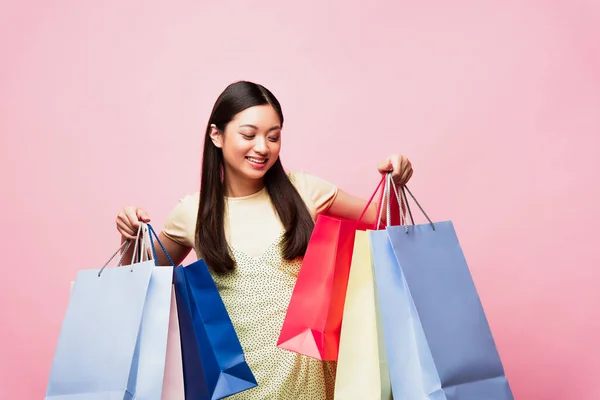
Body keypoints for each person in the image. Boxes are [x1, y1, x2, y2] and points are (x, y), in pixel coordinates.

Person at [115, 80, 413, 399]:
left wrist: (396, 180)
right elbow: (138, 287)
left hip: (309, 384)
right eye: (249, 134)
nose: (262, 147)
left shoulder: (305, 190)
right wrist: (129, 239)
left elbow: (388, 220)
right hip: (234, 388)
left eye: (273, 136)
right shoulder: (192, 212)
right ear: (216, 135)